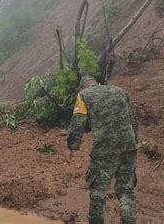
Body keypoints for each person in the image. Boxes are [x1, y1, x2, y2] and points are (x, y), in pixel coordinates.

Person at [66, 76, 139, 224]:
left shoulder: (83, 95)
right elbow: (133, 120)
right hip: (128, 145)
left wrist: (71, 146)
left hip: (104, 148)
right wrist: (134, 142)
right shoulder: (120, 91)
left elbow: (78, 122)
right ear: (97, 83)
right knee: (126, 190)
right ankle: (129, 221)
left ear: (83, 87)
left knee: (98, 190)